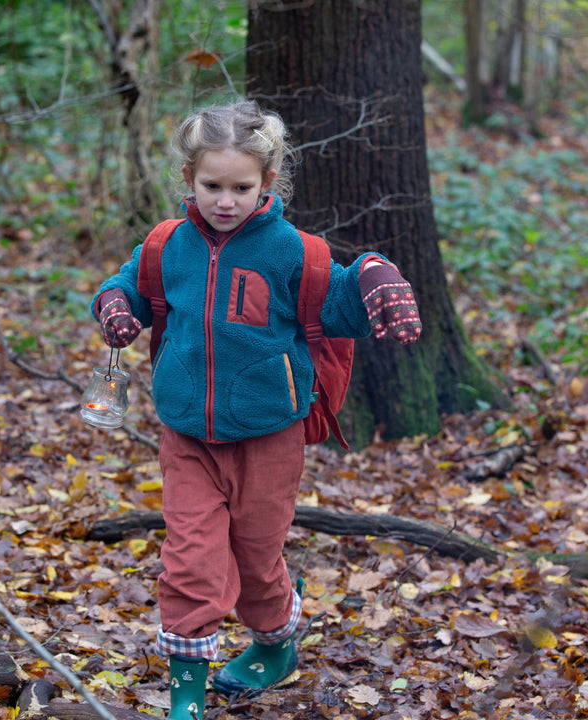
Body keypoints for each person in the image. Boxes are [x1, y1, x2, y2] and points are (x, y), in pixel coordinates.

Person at [90, 100, 421, 719]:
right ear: (189, 179)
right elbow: (127, 281)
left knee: (256, 557)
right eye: (211, 185)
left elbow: (341, 298)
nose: (224, 200)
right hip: (188, 435)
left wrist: (375, 275)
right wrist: (115, 305)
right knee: (188, 560)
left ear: (266, 183)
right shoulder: (170, 246)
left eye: (240, 186)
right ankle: (185, 697)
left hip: (271, 436)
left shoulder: (293, 251)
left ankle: (276, 646)